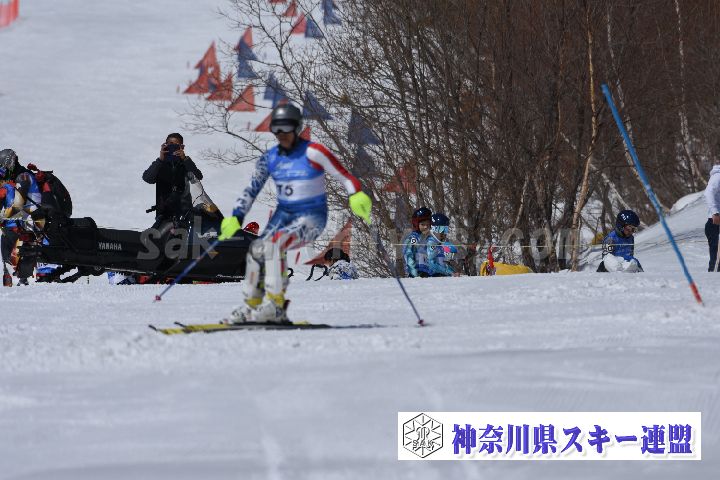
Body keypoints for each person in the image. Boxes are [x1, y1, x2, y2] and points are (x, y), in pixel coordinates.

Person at [217, 104, 372, 323]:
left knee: (274, 245)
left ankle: (275, 306)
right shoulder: (270, 157)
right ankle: (251, 305)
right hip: (284, 214)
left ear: (297, 128)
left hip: (311, 215)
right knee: (257, 250)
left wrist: (356, 194)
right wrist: (236, 216)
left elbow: (344, 176)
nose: (282, 135)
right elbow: (251, 190)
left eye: (286, 129)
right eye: (277, 129)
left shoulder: (314, 152)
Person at [142, 133, 204, 228]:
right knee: (158, 234)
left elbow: (198, 177)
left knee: (195, 230)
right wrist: (160, 159)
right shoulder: (159, 164)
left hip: (185, 214)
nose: (172, 147)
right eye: (170, 144)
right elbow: (147, 178)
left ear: (182, 147)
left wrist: (185, 159)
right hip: (164, 213)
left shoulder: (186, 164)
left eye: (176, 145)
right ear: (165, 145)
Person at [0, 149, 42, 285]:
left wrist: (3, 216)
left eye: (3, 169)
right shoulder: (10, 183)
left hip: (34, 219)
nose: (2, 173)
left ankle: (22, 277)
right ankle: (10, 277)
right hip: (19, 222)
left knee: (14, 235)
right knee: (6, 235)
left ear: (10, 164)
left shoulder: (24, 177)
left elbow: (18, 207)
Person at [402, 207, 432, 278]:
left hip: (428, 275)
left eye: (428, 224)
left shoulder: (429, 238)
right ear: (417, 225)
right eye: (423, 224)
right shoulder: (413, 238)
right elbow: (408, 255)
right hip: (417, 275)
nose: (426, 227)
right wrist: (414, 273)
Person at [426, 213, 458, 277]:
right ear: (433, 229)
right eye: (441, 229)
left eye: (446, 229)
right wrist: (449, 273)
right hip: (431, 278)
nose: (444, 233)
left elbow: (442, 264)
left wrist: (453, 272)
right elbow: (430, 264)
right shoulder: (431, 243)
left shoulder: (438, 244)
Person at [704, 164, 720, 271]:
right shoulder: (718, 176)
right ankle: (712, 272)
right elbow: (708, 193)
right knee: (715, 249)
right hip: (715, 219)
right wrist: (715, 213)